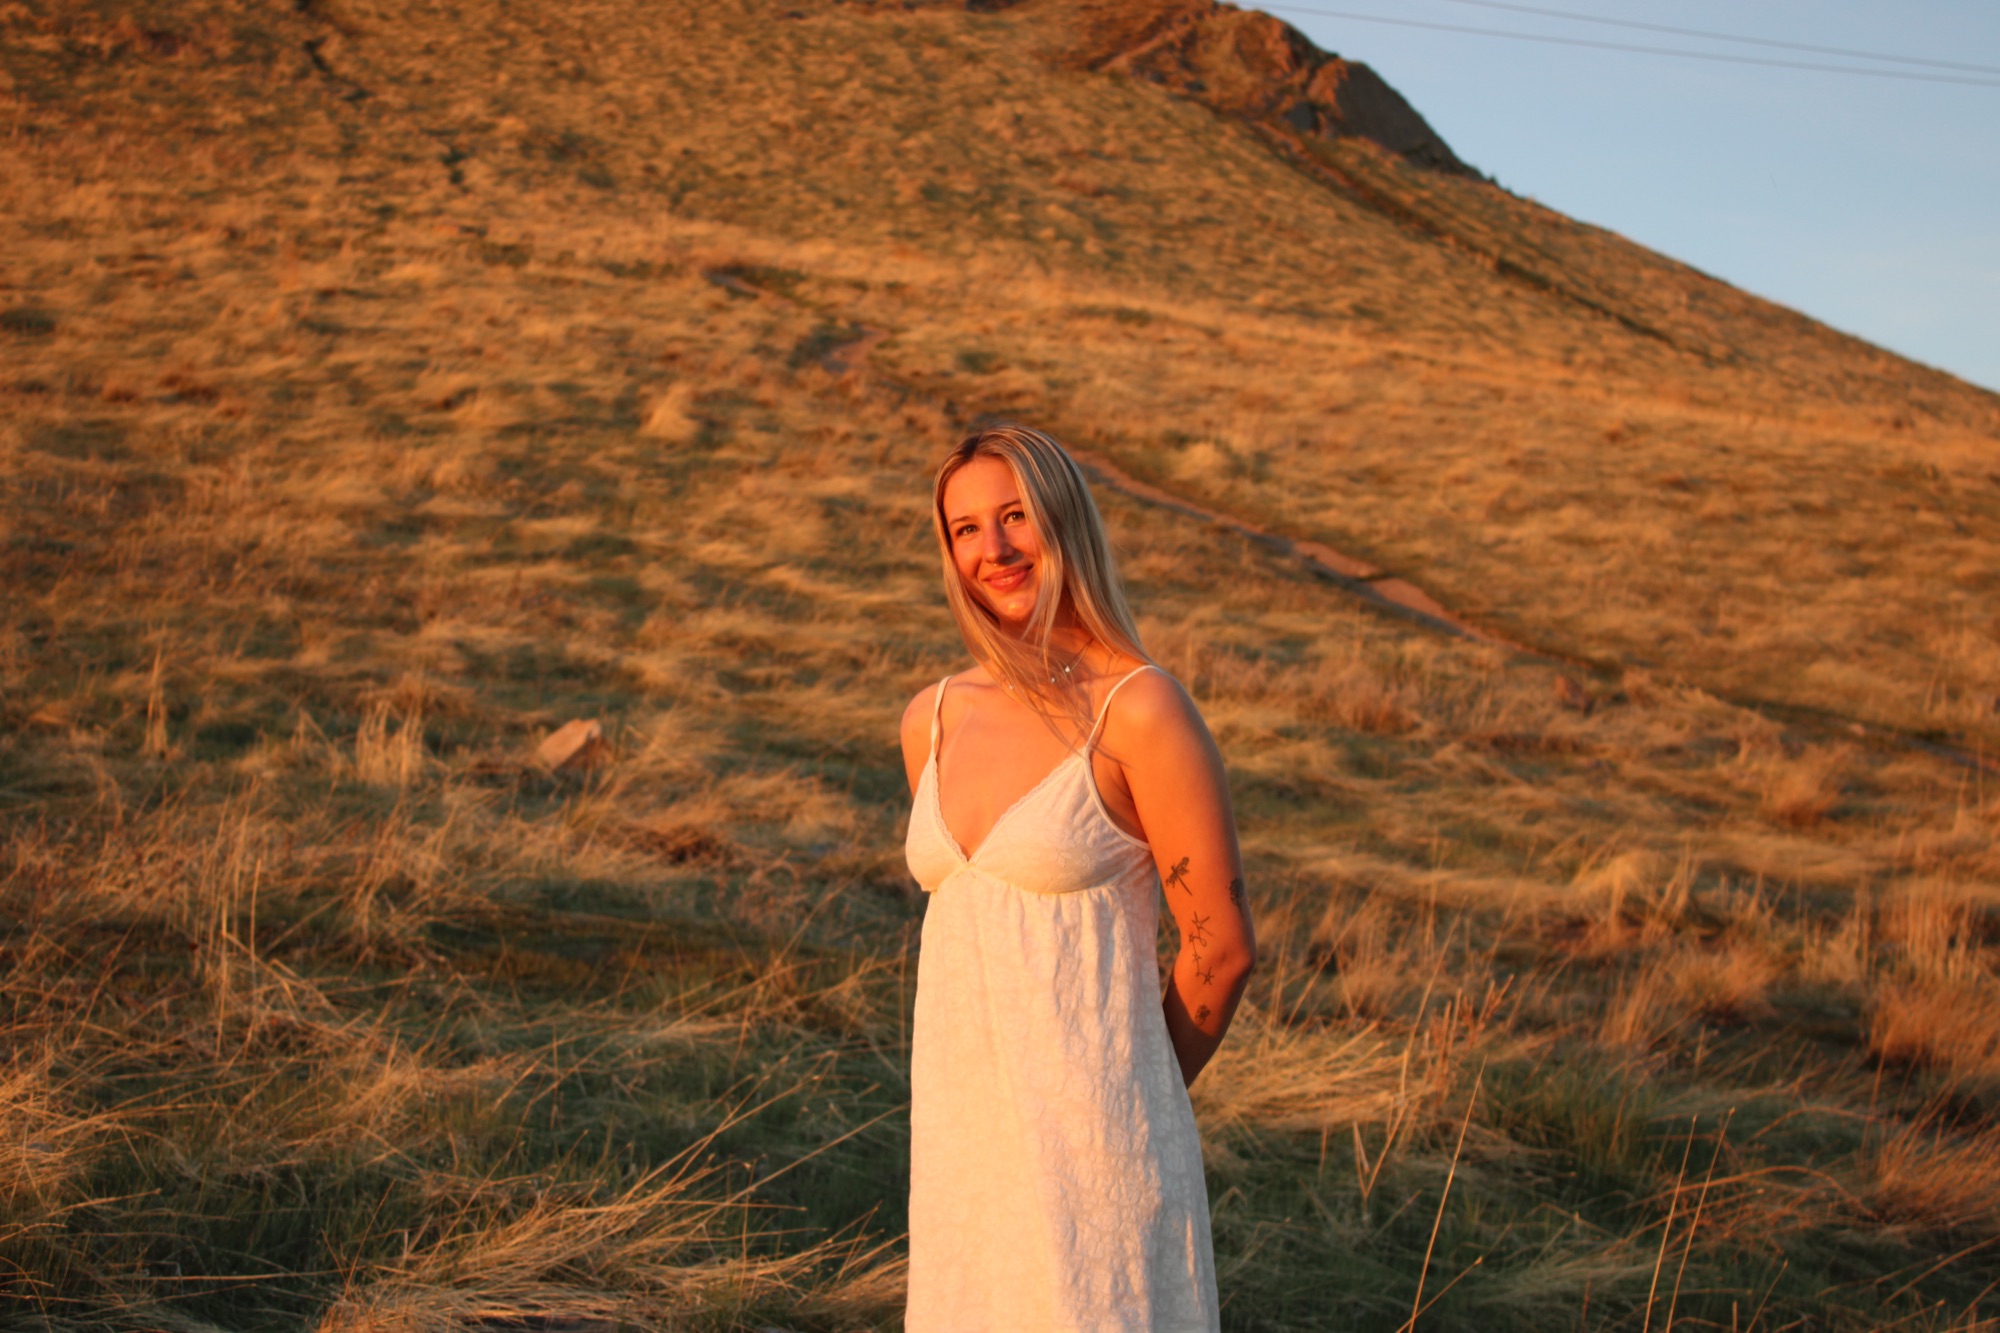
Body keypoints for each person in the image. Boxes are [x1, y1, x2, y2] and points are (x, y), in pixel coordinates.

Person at [900, 423, 1258, 1332]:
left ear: (1063, 518)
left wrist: (1130, 1095)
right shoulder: (932, 717)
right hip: (961, 1156)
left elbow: (1220, 949)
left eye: (1016, 515)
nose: (994, 548)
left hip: (1098, 1158)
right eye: (966, 528)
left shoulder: (1139, 709)